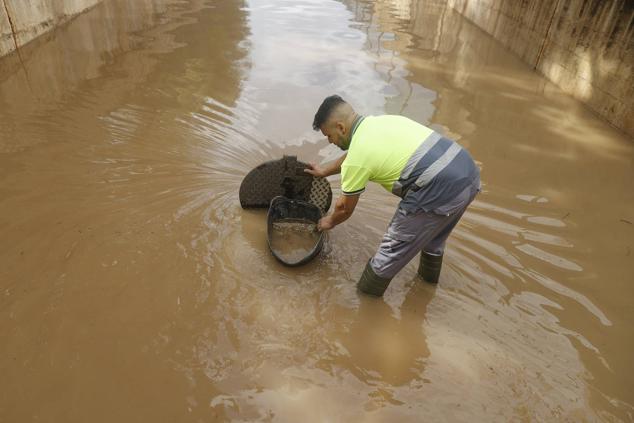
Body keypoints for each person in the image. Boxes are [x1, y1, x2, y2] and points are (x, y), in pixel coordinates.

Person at [304, 95, 480, 296]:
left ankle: (364, 304)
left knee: (387, 256)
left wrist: (328, 222)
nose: (330, 141)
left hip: (437, 188)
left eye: (329, 135)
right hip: (468, 174)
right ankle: (426, 293)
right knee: (433, 242)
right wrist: (325, 171)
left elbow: (344, 209)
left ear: (341, 128)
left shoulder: (358, 156)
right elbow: (356, 153)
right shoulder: (383, 122)